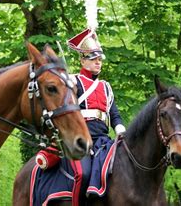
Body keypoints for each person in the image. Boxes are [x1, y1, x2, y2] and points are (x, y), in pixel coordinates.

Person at [35, 28, 125, 205]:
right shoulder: (73, 81)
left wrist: (120, 128)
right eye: (93, 59)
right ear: (83, 60)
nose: (98, 63)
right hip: (80, 138)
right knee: (82, 174)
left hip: (103, 139)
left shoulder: (106, 86)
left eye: (99, 60)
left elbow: (113, 114)